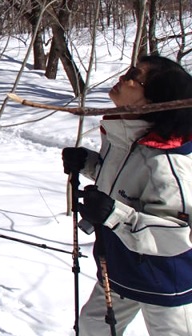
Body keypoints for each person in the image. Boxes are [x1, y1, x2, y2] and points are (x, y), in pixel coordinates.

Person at [62, 55, 192, 335]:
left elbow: (180, 234)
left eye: (136, 76)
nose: (125, 77)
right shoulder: (125, 136)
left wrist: (113, 215)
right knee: (92, 328)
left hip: (164, 279)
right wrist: (88, 163)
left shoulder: (168, 161)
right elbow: (126, 183)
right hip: (119, 266)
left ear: (153, 100)